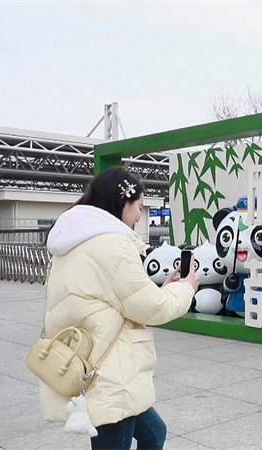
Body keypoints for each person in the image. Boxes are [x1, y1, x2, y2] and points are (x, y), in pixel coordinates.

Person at [41, 167, 199, 450]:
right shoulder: (112, 243)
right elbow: (152, 308)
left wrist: (163, 287)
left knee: (154, 433)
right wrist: (186, 288)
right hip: (111, 372)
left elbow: (117, 299)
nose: (140, 215)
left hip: (94, 359)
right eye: (139, 206)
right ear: (123, 202)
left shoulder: (75, 239)